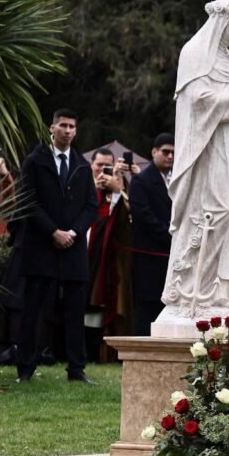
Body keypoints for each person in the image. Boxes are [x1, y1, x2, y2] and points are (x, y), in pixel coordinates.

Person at [162, 0, 229, 316]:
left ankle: (219, 296)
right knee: (217, 211)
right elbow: (197, 100)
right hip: (207, 148)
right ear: (223, 21)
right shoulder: (195, 53)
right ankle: (191, 293)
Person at [15, 108, 99, 384]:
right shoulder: (35, 161)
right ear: (52, 128)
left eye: (72, 126)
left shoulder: (82, 165)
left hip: (73, 248)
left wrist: (73, 232)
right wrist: (53, 231)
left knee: (75, 311)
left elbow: (91, 205)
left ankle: (76, 368)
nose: (68, 131)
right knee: (33, 310)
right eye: (63, 125)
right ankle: (25, 368)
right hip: (41, 246)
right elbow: (28, 201)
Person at [84, 148, 134, 358]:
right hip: (84, 254)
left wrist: (117, 191)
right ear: (91, 165)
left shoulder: (120, 188)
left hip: (110, 260)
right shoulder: (83, 186)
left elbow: (126, 217)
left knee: (102, 305)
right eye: (99, 165)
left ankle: (101, 352)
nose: (103, 170)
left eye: (108, 166)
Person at [129, 133, 174, 335]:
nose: (170, 156)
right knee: (148, 310)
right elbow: (143, 215)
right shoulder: (141, 181)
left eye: (173, 153)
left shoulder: (179, 180)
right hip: (150, 255)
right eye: (165, 152)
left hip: (171, 257)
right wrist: (171, 237)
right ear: (154, 152)